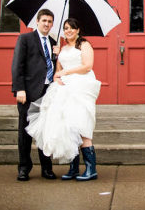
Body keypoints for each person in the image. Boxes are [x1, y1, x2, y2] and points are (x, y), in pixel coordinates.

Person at [26, 17, 101, 181]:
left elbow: (87, 66)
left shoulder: (85, 45)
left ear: (78, 30)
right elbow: (58, 70)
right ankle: (73, 168)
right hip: (65, 89)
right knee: (69, 126)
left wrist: (65, 73)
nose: (68, 30)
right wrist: (57, 76)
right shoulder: (62, 49)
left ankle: (91, 168)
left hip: (81, 88)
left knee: (82, 125)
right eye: (66, 28)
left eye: (72, 28)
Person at [11, 8, 57, 181]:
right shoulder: (25, 39)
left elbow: (52, 67)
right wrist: (19, 89)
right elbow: (17, 65)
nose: (46, 24)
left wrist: (56, 56)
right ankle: (24, 168)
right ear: (37, 22)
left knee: (45, 131)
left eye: (50, 21)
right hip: (29, 92)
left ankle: (46, 168)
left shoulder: (53, 43)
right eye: (44, 20)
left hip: (48, 92)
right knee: (25, 132)